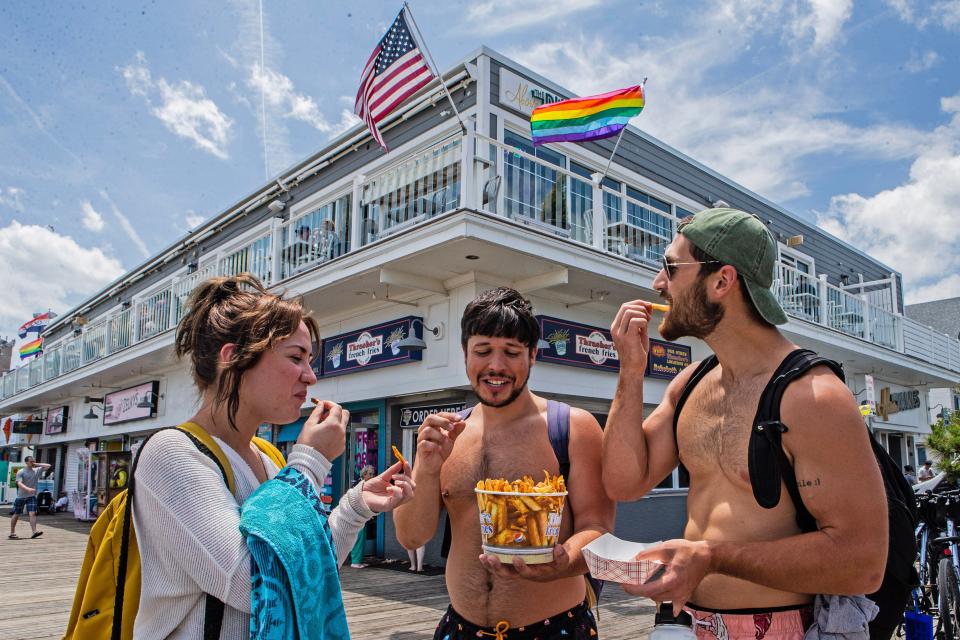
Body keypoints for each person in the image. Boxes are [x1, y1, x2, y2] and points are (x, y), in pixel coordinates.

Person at [602, 208, 887, 640]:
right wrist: (630, 370)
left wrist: (710, 558)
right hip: (689, 624)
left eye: (670, 267)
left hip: (784, 629)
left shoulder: (814, 398)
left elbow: (863, 564)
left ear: (721, 282)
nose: (658, 283)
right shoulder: (691, 384)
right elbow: (624, 483)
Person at [132, 273, 415, 638]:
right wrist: (311, 460)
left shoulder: (267, 458)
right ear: (232, 359)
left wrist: (357, 506)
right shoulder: (172, 453)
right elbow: (250, 584)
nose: (311, 377)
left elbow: (303, 568)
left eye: (310, 360)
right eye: (296, 357)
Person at [394, 287, 615, 640]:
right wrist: (428, 465)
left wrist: (559, 564)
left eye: (512, 353)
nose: (496, 366)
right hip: (461, 626)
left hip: (554, 627)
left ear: (532, 357)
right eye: (483, 351)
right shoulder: (449, 434)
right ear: (465, 353)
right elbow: (411, 535)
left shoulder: (573, 427)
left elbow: (598, 528)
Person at [9, 456, 52, 539]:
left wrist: (36, 464)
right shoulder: (21, 471)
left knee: (32, 513)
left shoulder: (37, 470)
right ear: (26, 462)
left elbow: (48, 465)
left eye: (33, 461)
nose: (33, 462)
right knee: (17, 513)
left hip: (31, 496)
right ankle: (12, 532)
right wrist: (28, 489)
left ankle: (34, 532)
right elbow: (19, 483)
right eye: (31, 461)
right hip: (21, 496)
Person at [350, 464, 377, 568]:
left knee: (360, 537)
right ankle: (356, 562)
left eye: (373, 474)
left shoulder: (362, 483)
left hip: (360, 515)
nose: (372, 476)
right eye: (370, 474)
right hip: (357, 515)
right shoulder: (360, 485)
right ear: (364, 474)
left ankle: (358, 560)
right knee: (359, 537)